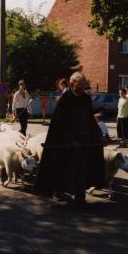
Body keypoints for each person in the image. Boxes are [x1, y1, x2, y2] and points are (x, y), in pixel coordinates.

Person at [35, 72, 105, 205]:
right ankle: (59, 193)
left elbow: (90, 118)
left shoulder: (85, 98)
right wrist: (70, 140)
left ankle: (80, 196)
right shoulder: (66, 97)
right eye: (82, 83)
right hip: (65, 143)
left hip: (83, 141)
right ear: (73, 83)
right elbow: (60, 122)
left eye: (85, 83)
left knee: (82, 169)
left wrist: (99, 135)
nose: (84, 86)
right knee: (63, 168)